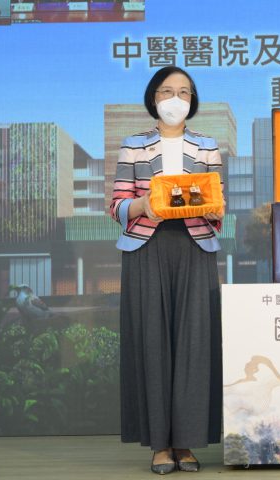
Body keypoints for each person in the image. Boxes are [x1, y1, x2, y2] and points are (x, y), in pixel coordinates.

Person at [109, 66, 224, 475]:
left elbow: (217, 204)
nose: (176, 99)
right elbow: (117, 205)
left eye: (184, 92)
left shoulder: (207, 146)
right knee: (152, 342)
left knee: (194, 343)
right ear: (153, 97)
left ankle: (185, 443)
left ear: (193, 100)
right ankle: (160, 445)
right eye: (167, 91)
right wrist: (144, 205)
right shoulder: (133, 145)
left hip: (195, 246)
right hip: (147, 246)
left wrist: (211, 206)